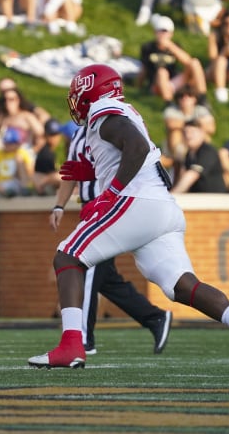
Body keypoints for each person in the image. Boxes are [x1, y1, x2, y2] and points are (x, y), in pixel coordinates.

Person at [27, 63, 229, 375]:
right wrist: (92, 175)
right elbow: (127, 154)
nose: (75, 100)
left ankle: (71, 345)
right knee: (182, 286)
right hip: (161, 207)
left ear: (93, 89)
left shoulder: (103, 111)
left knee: (68, 256)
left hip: (138, 201)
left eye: (78, 92)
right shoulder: (120, 113)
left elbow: (137, 146)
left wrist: (110, 194)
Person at [53, 122, 173, 355]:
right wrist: (58, 205)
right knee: (105, 277)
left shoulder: (110, 126)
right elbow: (70, 174)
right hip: (89, 207)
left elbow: (134, 158)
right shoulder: (79, 135)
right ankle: (155, 318)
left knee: (83, 267)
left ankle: (83, 338)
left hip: (108, 205)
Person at [137, 15, 208, 107]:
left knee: (195, 62)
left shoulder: (175, 46)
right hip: (157, 83)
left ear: (171, 34)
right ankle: (169, 104)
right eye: (160, 31)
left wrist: (170, 46)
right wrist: (139, 85)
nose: (162, 35)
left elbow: (188, 62)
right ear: (155, 32)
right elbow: (144, 68)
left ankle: (203, 99)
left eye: (165, 32)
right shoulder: (148, 47)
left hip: (173, 81)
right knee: (162, 71)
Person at [162, 85, 216, 171]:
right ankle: (178, 159)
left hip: (195, 142)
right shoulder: (172, 110)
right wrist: (196, 123)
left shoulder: (201, 110)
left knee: (204, 134)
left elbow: (211, 129)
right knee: (175, 132)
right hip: (178, 143)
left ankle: (201, 156)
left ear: (195, 99)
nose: (185, 98)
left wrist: (184, 124)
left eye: (189, 96)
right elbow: (171, 124)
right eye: (181, 96)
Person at [170, 119, 228, 193]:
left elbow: (192, 175)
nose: (188, 136)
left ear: (202, 133)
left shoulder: (207, 151)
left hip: (214, 199)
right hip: (198, 199)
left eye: (192, 132)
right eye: (185, 132)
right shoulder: (189, 154)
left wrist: (173, 195)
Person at [32, 117, 63, 195]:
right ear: (45, 135)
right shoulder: (45, 153)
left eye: (56, 134)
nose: (54, 138)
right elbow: (52, 177)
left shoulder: (49, 150)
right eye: (51, 135)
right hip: (43, 189)